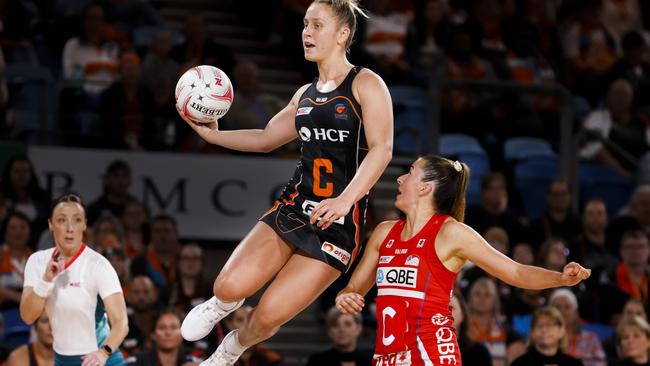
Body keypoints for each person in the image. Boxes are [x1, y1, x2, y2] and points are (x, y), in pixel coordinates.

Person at [178, 1, 393, 365]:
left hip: (336, 229)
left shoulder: (367, 84)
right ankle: (219, 305)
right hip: (293, 209)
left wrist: (345, 200)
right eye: (305, 24)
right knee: (228, 287)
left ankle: (231, 349)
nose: (307, 32)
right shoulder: (304, 94)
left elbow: (382, 149)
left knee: (267, 317)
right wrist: (215, 138)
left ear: (343, 34)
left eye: (317, 25)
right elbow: (265, 138)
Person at [335, 155, 590, 366]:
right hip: (386, 358)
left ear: (425, 187)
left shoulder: (451, 233)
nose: (400, 178)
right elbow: (355, 288)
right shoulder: (383, 232)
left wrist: (560, 278)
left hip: (431, 355)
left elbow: (515, 273)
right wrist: (345, 295)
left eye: (410, 172)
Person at [19, 194, 129, 366]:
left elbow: (121, 322)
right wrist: (46, 280)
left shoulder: (99, 265)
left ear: (84, 225)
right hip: (62, 360)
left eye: (77, 220)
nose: (70, 228)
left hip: (101, 360)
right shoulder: (37, 261)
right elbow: (27, 316)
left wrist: (103, 353)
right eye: (62, 220)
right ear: (50, 224)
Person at [549, 288, 606, 366]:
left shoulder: (590, 338)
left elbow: (600, 363)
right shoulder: (544, 338)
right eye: (558, 307)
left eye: (567, 307)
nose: (562, 311)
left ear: (576, 312)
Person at [511, 306, 584, 366]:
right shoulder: (519, 364)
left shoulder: (574, 364)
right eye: (539, 326)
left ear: (561, 331)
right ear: (532, 332)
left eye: (549, 325)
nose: (544, 330)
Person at [125, 310, 201, 366]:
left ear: (183, 333)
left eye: (174, 327)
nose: (168, 332)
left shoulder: (194, 362)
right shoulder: (137, 361)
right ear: (153, 334)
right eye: (162, 328)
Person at [305, 306, 372, 366]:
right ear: (328, 330)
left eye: (347, 324)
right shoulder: (317, 362)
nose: (341, 329)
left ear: (358, 328)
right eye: (335, 325)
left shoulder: (373, 361)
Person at [450, 291, 492, 366]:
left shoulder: (479, 353)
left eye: (451, 308)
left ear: (462, 315)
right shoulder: (424, 349)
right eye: (441, 309)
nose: (445, 312)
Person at [0, 211, 32, 309]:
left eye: (22, 227)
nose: (18, 232)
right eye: (13, 228)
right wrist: (18, 297)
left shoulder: (37, 257)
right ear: (5, 232)